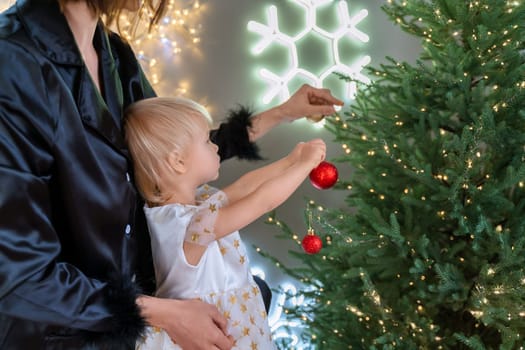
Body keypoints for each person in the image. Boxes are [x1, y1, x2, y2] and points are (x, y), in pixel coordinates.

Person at [0, 0, 343, 349]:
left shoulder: (114, 55)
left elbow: (178, 151)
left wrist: (282, 113)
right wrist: (166, 314)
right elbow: (18, 276)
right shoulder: (12, 65)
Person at [124, 97, 326, 350]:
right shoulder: (189, 226)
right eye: (207, 141)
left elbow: (244, 186)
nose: (216, 147)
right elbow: (262, 202)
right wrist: (305, 165)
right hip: (211, 333)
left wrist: (290, 161)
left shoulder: (194, 205)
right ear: (178, 161)